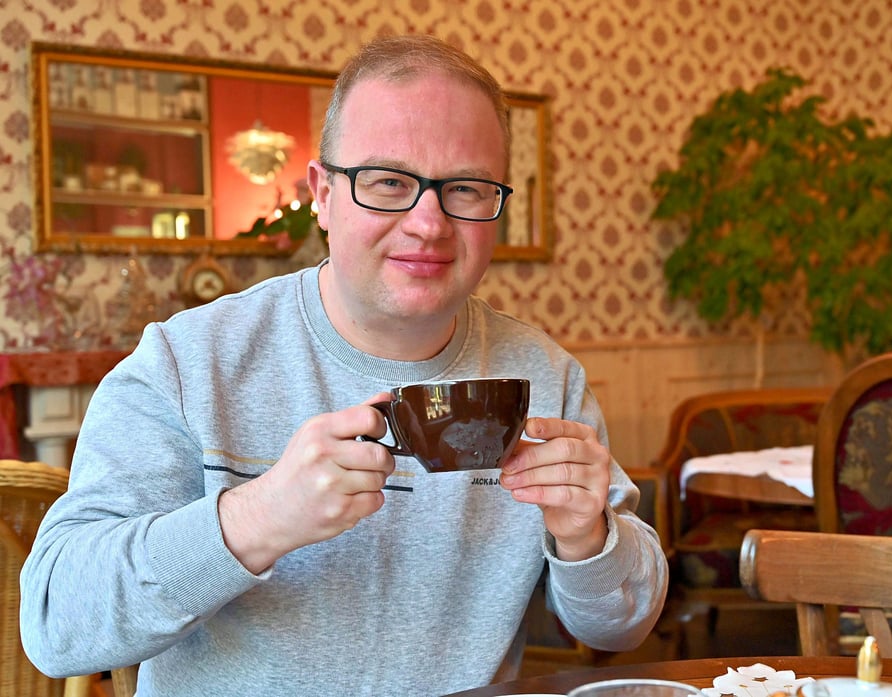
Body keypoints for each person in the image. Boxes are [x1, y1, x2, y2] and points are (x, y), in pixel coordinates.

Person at [20, 34, 669, 697]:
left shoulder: (544, 376)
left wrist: (588, 536)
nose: (429, 223)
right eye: (389, 182)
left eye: (466, 189)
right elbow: (54, 623)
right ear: (324, 195)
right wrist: (259, 517)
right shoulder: (189, 363)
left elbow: (621, 625)